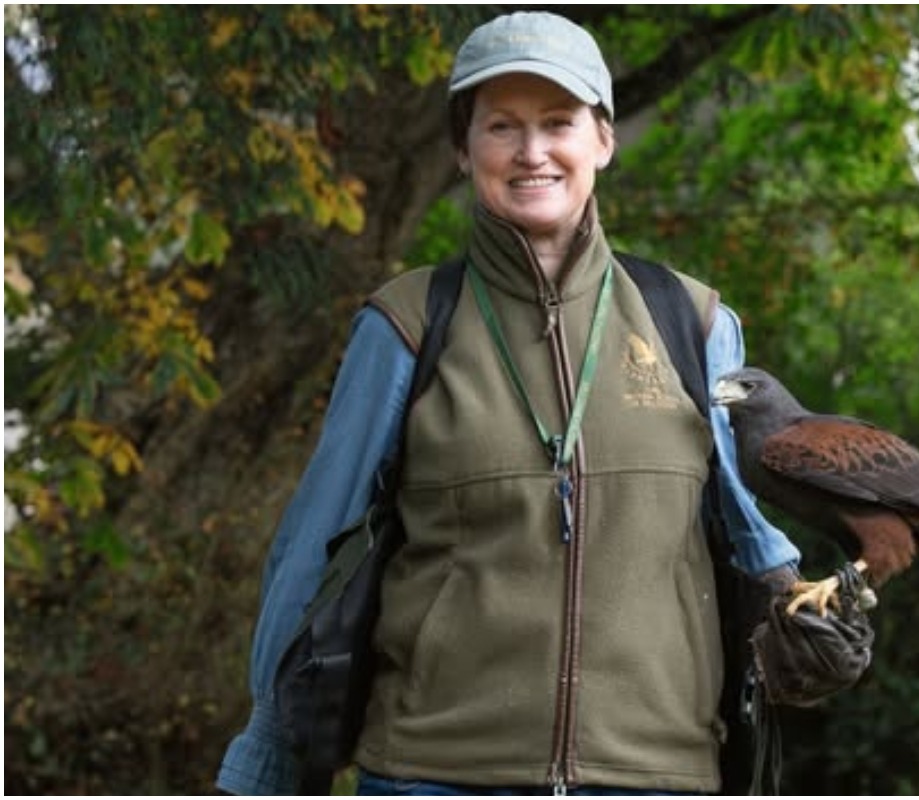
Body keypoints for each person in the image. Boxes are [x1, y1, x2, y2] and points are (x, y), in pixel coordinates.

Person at [216, 11, 801, 796]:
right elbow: (312, 550)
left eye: (558, 122)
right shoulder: (407, 323)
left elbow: (748, 534)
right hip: (431, 773)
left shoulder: (692, 323)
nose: (532, 152)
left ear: (603, 139)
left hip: (656, 773)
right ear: (464, 150)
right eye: (501, 126)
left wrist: (803, 616)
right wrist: (266, 760)